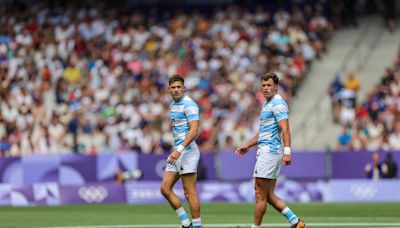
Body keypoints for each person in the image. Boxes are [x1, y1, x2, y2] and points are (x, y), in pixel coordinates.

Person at [235, 73, 305, 228]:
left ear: (276, 87)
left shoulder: (278, 103)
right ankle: (296, 222)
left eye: (269, 85)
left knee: (260, 194)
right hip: (266, 150)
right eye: (263, 85)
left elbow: (285, 129)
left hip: (270, 152)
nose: (266, 88)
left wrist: (287, 152)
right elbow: (263, 132)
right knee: (268, 194)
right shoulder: (267, 104)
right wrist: (247, 144)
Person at [160, 75, 202, 228]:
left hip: (187, 152)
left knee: (189, 193)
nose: (176, 90)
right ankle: (186, 223)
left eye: (179, 87)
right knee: (165, 189)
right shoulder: (173, 105)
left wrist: (179, 149)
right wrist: (176, 150)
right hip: (177, 151)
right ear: (169, 89)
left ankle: (197, 226)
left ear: (184, 88)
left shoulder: (189, 104)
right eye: (173, 87)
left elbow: (194, 130)